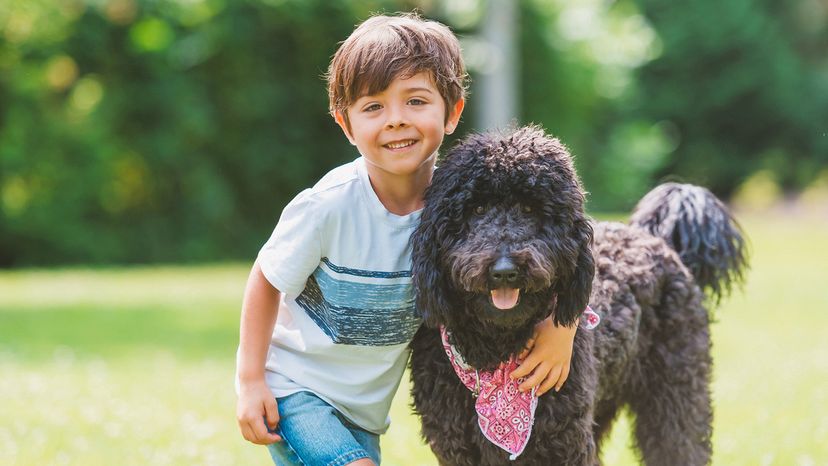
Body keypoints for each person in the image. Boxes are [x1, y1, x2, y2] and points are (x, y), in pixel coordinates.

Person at [235, 13, 579, 466]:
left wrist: (563, 327)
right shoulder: (329, 205)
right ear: (346, 124)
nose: (395, 121)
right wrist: (251, 380)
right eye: (373, 107)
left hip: (364, 412)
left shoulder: (458, 209)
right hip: (297, 390)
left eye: (415, 101)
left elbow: (562, 245)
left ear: (452, 111)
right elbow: (266, 278)